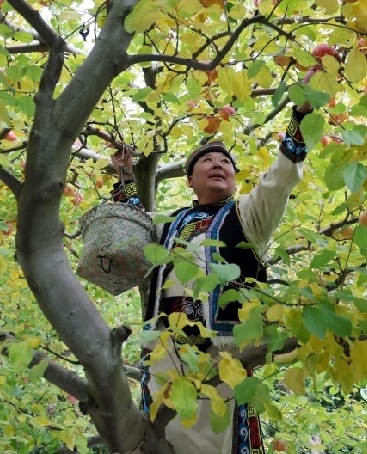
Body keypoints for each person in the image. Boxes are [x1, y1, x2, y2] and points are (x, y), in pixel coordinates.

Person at [109, 99, 314, 454]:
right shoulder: (169, 224)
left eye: (226, 163)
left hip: (223, 350)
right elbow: (133, 225)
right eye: (207, 160)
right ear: (189, 180)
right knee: (162, 435)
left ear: (235, 178)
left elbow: (279, 180)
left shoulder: (249, 216)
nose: (218, 164)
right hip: (164, 348)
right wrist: (124, 176)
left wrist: (300, 117)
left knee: (217, 436)